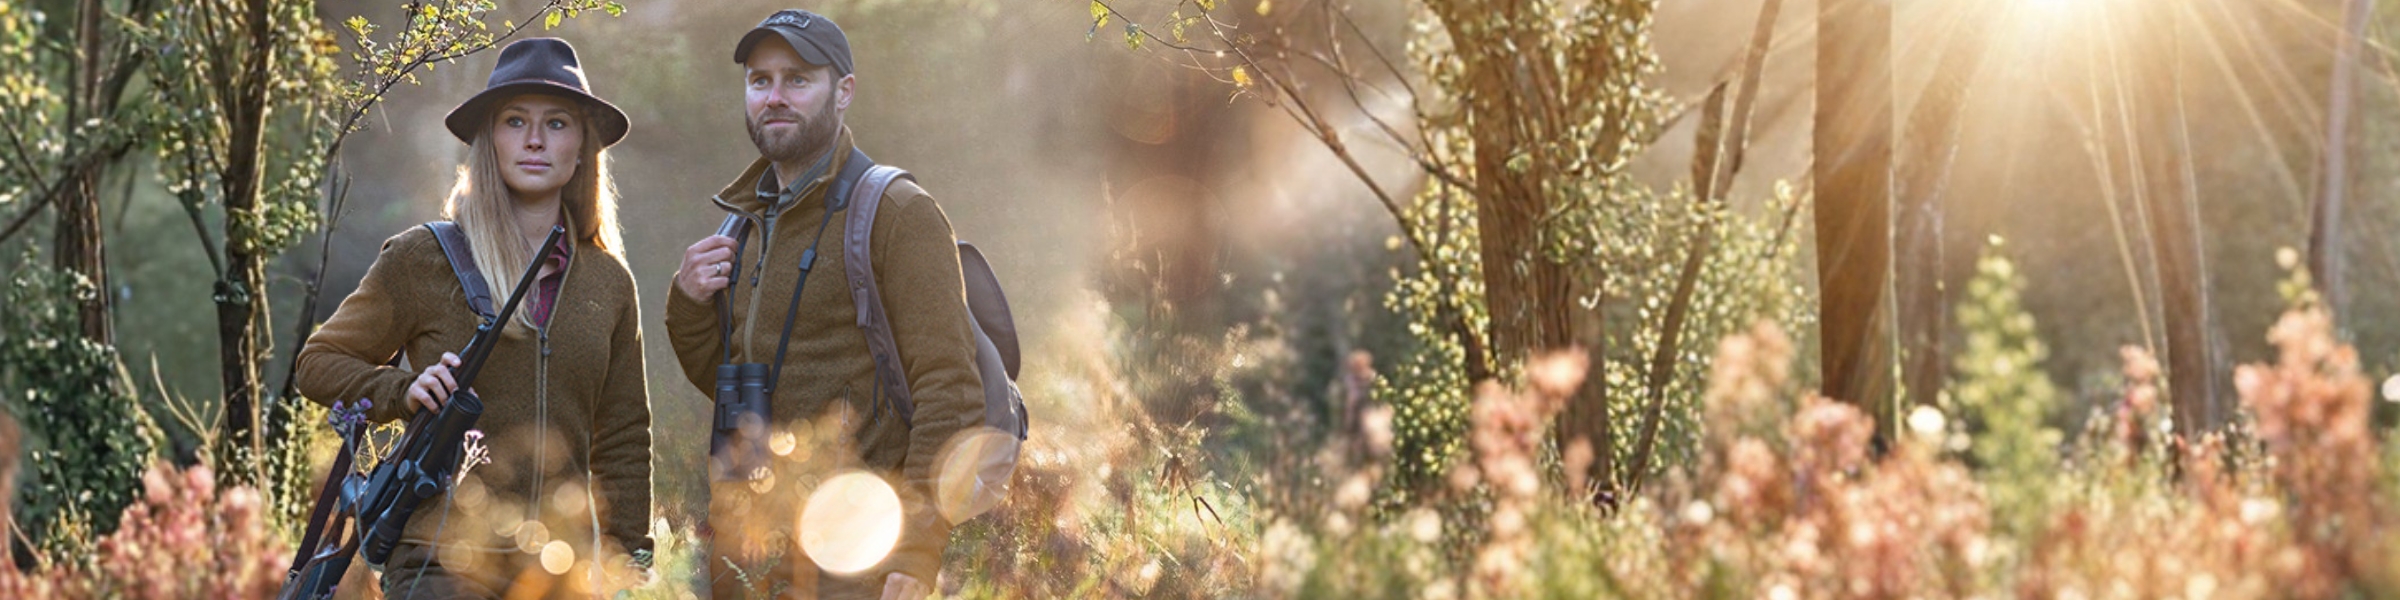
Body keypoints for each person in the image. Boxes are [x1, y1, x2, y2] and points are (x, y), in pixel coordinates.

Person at [296, 37, 654, 599]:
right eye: (515, 121)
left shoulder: (609, 282)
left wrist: (630, 561)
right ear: (489, 140)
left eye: (557, 123)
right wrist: (403, 388)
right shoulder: (423, 258)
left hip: (561, 570)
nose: (535, 139)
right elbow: (317, 363)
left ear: (583, 145)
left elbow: (625, 435)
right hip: (443, 561)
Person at [664, 9, 981, 600]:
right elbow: (737, 381)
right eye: (760, 81)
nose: (775, 97)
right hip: (747, 554)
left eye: (797, 79)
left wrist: (916, 551)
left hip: (855, 557)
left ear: (844, 92)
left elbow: (950, 391)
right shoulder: (745, 224)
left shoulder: (897, 212)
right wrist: (686, 303)